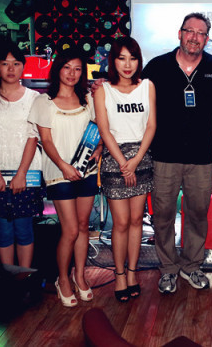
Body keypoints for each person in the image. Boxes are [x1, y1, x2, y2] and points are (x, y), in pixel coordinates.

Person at [142, 12, 212, 294]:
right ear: (179, 33)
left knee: (197, 215)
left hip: (201, 158)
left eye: (201, 33)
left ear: (207, 39)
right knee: (163, 215)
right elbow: (132, 92)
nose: (194, 37)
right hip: (164, 156)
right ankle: (168, 268)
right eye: (189, 31)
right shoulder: (157, 67)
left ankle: (191, 266)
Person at [28, 49, 100, 307]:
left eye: (78, 68)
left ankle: (79, 276)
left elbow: (99, 130)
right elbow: (45, 141)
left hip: (87, 171)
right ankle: (63, 278)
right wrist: (63, 166)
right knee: (69, 230)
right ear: (58, 68)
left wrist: (99, 150)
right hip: (59, 173)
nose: (72, 73)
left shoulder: (88, 99)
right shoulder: (44, 101)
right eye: (67, 67)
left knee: (83, 226)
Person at [94, 37, 156, 302]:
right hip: (114, 160)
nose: (127, 64)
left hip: (142, 158)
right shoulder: (103, 90)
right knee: (119, 222)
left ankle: (132, 273)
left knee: (136, 220)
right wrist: (123, 163)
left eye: (132, 58)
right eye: (122, 58)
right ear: (114, 61)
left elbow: (151, 125)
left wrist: (137, 159)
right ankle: (119, 274)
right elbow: (104, 129)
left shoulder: (148, 86)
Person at [0, 42, 43, 268]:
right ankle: (8, 277)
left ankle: (23, 276)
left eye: (16, 63)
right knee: (3, 229)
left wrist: (21, 174)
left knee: (24, 228)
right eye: (5, 64)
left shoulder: (34, 97)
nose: (11, 69)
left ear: (23, 66)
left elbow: (33, 137)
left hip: (27, 172)